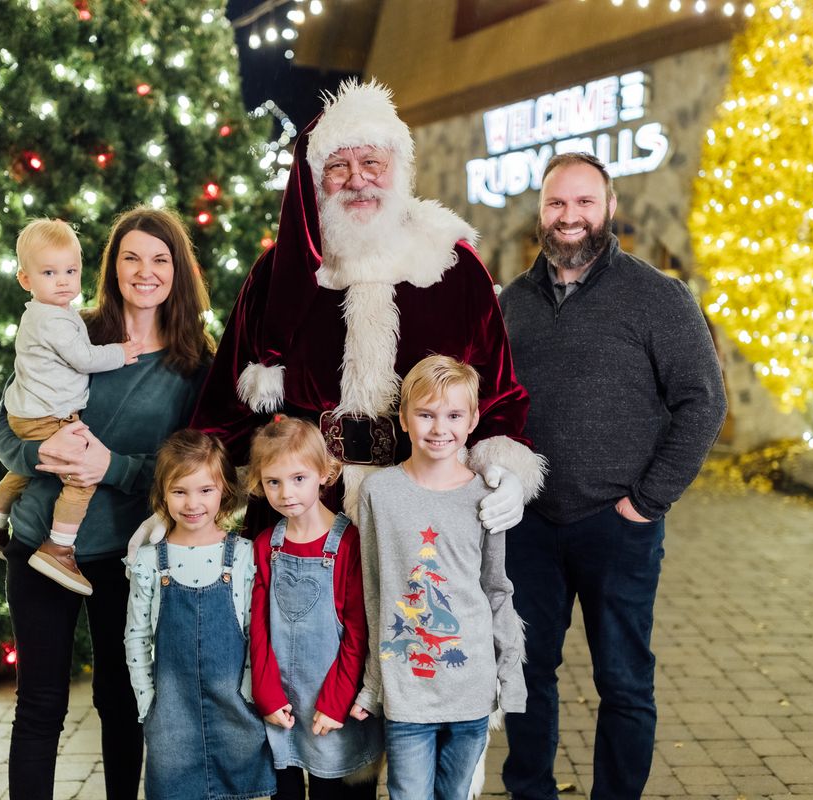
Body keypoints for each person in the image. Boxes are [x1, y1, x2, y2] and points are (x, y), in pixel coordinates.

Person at [190, 79, 545, 535]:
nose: (357, 179)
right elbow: (226, 406)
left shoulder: (452, 267)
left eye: (371, 162)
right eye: (338, 166)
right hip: (305, 509)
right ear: (317, 178)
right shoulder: (282, 273)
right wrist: (186, 502)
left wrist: (508, 469)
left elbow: (498, 394)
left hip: (424, 507)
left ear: (399, 167)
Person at [498, 152, 728, 800]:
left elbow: (704, 402)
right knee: (526, 669)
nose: (569, 217)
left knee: (624, 681)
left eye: (583, 203)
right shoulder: (511, 303)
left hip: (618, 526)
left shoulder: (658, 296)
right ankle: (530, 792)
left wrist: (648, 501)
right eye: (556, 204)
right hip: (530, 526)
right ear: (541, 213)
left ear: (609, 209)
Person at [0, 206, 213, 799]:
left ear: (178, 272)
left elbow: (192, 474)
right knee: (40, 704)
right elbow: (2, 426)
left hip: (123, 553)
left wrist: (108, 466)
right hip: (39, 543)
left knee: (121, 700)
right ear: (110, 269)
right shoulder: (68, 328)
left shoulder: (195, 367)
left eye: (160, 259)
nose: (144, 272)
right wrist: (43, 456)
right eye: (130, 257)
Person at [352, 355, 526, 800]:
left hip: (470, 686)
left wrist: (511, 676)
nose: (439, 428)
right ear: (405, 420)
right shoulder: (378, 492)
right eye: (426, 414)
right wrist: (373, 684)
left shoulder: (485, 495)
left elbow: (496, 589)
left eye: (453, 415)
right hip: (407, 689)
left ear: (472, 421)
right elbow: (374, 589)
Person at [0, 218, 141, 595]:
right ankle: (59, 547)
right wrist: (120, 353)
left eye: (71, 271)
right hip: (47, 417)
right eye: (49, 272)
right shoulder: (52, 321)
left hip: (29, 413)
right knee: (79, 475)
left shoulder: (50, 313)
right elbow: (83, 358)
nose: (63, 281)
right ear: (25, 280)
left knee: (30, 471)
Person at [125, 430, 276, 800]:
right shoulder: (149, 560)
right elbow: (137, 636)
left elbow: (254, 630)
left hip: (235, 712)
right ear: (162, 493)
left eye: (205, 490)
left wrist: (249, 695)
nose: (193, 503)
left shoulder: (241, 555)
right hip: (170, 717)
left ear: (224, 489)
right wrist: (148, 704)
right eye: (180, 491)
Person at [246, 416, 384, 799]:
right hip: (283, 708)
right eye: (273, 481)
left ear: (325, 473)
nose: (286, 492)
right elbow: (257, 629)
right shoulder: (264, 546)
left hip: (334, 706)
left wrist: (336, 703)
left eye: (298, 478)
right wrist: (267, 695)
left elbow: (360, 631)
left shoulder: (349, 542)